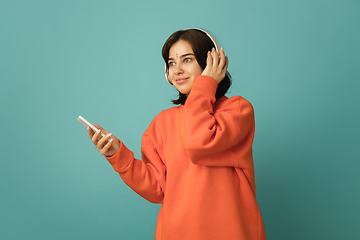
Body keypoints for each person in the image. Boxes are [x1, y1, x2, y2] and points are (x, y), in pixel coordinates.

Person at [87, 28, 266, 240]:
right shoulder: (161, 122)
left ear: (212, 62)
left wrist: (206, 85)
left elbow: (198, 143)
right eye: (172, 63)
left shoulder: (237, 110)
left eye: (187, 60)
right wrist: (118, 154)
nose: (177, 69)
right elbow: (157, 190)